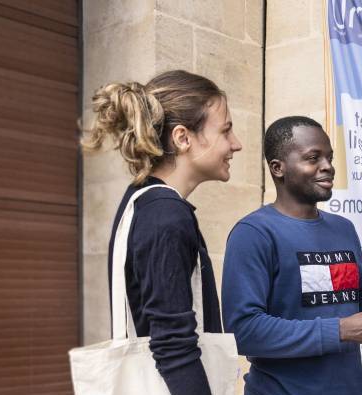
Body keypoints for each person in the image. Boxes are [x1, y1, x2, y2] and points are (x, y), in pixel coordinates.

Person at [222, 116, 362, 395]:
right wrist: (340, 330)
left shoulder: (343, 229)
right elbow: (244, 332)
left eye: (329, 157)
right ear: (278, 168)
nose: (327, 166)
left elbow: (358, 301)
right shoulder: (253, 233)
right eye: (313, 158)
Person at [81, 70, 242, 395]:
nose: (235, 144)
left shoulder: (144, 201)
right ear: (183, 138)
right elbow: (173, 347)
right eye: (225, 131)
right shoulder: (165, 216)